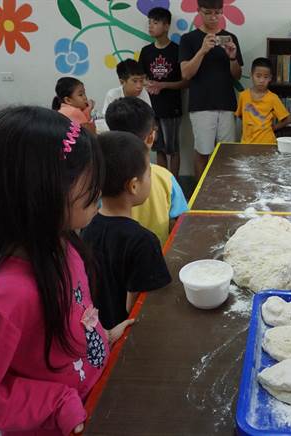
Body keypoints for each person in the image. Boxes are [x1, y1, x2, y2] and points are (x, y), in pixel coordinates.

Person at [0, 106, 134, 435]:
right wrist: (55, 402)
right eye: (90, 185)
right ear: (41, 192)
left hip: (95, 400)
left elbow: (72, 321)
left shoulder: (64, 245)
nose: (99, 193)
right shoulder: (6, 300)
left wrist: (103, 339)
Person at [82, 131, 171, 330]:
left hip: (100, 329)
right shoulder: (143, 241)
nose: (150, 177)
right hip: (126, 336)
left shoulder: (87, 226)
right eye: (148, 173)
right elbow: (135, 306)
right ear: (133, 185)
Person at [105, 97, 188, 245]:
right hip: (159, 257)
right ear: (151, 137)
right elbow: (181, 222)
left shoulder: (100, 178)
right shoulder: (165, 177)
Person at [179, 0, 243, 179]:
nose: (214, 17)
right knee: (203, 152)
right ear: (199, 11)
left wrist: (232, 58)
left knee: (227, 153)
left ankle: (224, 192)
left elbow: (237, 75)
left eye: (217, 12)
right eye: (208, 12)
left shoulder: (230, 38)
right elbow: (186, 74)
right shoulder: (188, 39)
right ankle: (199, 198)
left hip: (227, 104)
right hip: (201, 105)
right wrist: (202, 51)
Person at [139, 6, 188, 179]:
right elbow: (141, 78)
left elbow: (186, 82)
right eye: (149, 22)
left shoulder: (177, 50)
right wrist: (147, 83)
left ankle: (174, 185)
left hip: (172, 107)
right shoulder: (146, 51)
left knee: (172, 148)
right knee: (158, 147)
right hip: (152, 108)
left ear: (166, 26)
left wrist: (163, 85)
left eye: (156, 22)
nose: (151, 26)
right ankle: (163, 183)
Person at [235, 57, 290, 144]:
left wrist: (273, 128)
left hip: (267, 143)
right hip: (246, 143)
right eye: (258, 76)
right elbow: (240, 116)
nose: (261, 80)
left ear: (270, 78)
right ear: (251, 75)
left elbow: (286, 120)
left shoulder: (273, 98)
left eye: (265, 77)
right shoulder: (243, 95)